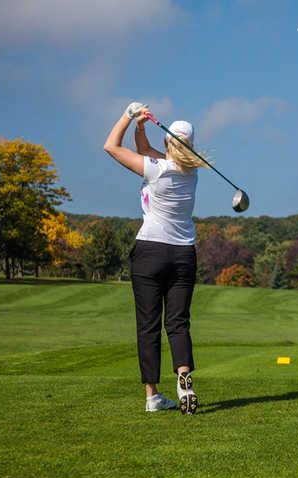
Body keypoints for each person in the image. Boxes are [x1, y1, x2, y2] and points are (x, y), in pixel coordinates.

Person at [104, 102, 207, 414]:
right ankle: (183, 375)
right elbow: (146, 149)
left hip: (150, 251)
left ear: (168, 143)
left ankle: (152, 396)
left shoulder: (155, 168)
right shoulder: (192, 173)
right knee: (177, 322)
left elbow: (111, 146)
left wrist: (127, 114)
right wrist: (140, 127)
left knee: (148, 325)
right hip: (183, 254)